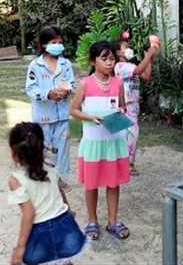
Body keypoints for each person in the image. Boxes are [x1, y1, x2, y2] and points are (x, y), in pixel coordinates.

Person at [70, 41, 130, 241]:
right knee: (92, 184)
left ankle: (113, 222)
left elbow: (122, 106)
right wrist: (90, 117)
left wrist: (121, 111)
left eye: (112, 58)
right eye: (104, 59)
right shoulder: (85, 83)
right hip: (93, 143)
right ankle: (92, 221)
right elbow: (74, 110)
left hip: (113, 142)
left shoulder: (118, 83)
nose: (109, 63)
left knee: (113, 184)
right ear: (93, 61)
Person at [7, 122, 86, 265]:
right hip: (64, 225)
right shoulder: (50, 166)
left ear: (14, 153)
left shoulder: (16, 180)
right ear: (41, 146)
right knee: (64, 260)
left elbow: (28, 214)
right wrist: (68, 210)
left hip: (40, 233)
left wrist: (20, 248)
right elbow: (60, 191)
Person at [25, 25, 75, 191]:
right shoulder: (35, 65)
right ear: (45, 44)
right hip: (44, 116)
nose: (58, 45)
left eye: (60, 42)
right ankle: (45, 175)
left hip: (62, 115)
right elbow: (31, 89)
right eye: (54, 42)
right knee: (45, 147)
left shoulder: (65, 64)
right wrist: (48, 94)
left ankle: (61, 178)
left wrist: (67, 90)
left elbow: (72, 84)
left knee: (63, 147)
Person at [114, 35, 160, 176]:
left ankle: (128, 164)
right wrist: (151, 52)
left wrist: (149, 57)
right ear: (118, 53)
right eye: (125, 47)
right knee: (124, 136)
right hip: (123, 107)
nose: (129, 49)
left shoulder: (131, 66)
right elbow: (140, 71)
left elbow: (146, 75)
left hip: (133, 107)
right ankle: (126, 165)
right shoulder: (119, 66)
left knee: (132, 136)